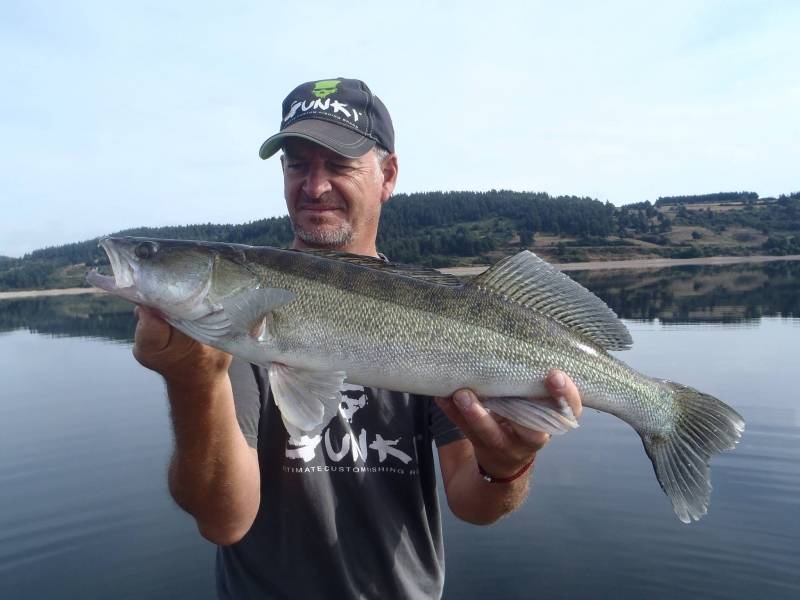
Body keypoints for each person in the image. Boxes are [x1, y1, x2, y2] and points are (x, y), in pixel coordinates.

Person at [133, 77, 582, 599]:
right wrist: (192, 380)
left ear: (387, 175)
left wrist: (508, 467)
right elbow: (223, 521)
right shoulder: (235, 322)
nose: (315, 186)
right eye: (297, 164)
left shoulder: (443, 315)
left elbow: (472, 504)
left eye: (338, 164)